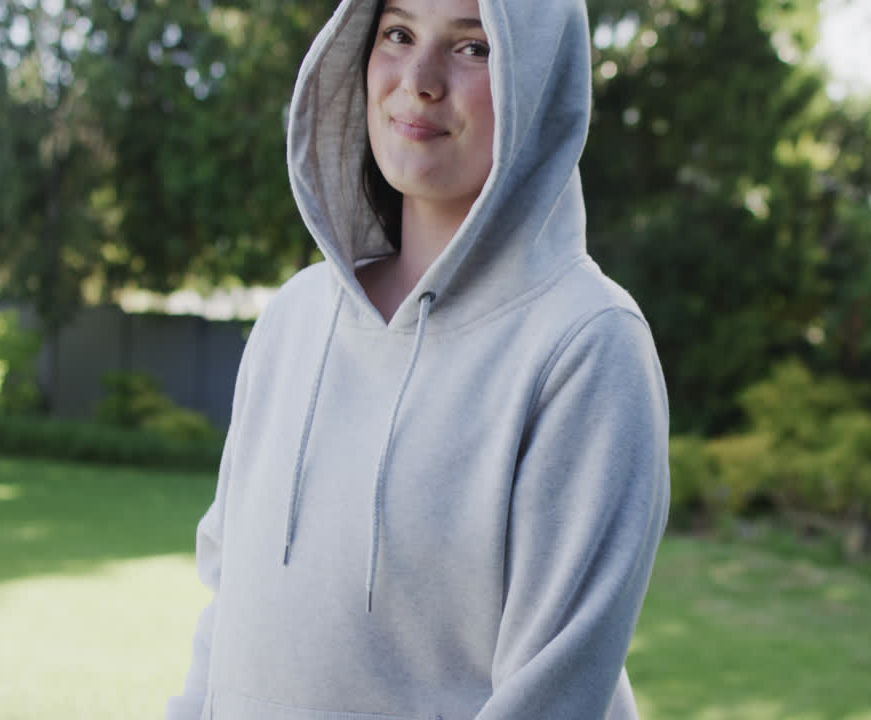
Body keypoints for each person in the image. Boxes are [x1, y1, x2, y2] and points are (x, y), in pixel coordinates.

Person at [165, 0, 670, 718]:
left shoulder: (587, 344)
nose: (420, 80)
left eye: (474, 48)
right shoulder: (295, 318)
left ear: (540, 77)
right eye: (398, 34)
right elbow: (229, 614)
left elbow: (550, 697)